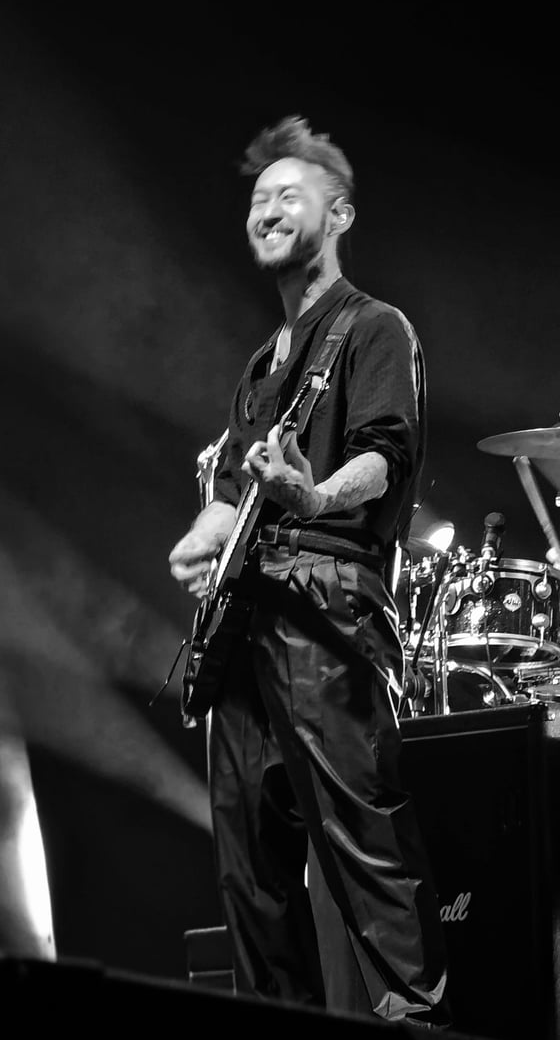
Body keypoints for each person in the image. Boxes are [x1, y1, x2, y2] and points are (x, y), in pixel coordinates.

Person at [168, 115, 451, 1029]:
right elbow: (236, 491)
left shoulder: (373, 328)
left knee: (367, 853)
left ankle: (420, 1024)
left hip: (326, 611)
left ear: (339, 214)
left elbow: (384, 456)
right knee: (252, 881)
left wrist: (315, 492)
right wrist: (204, 534)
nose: (266, 210)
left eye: (289, 194)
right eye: (258, 198)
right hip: (245, 629)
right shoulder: (264, 363)